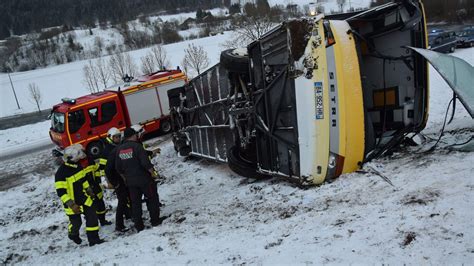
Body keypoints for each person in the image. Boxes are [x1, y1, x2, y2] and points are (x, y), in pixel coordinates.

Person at [54, 144, 105, 246]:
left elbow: (84, 180)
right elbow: (61, 192)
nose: (81, 156)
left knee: (92, 216)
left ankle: (93, 239)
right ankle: (73, 234)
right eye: (79, 154)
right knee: (76, 223)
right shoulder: (61, 173)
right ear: (72, 157)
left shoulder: (78, 166)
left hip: (83, 198)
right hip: (71, 203)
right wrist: (72, 205)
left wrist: (89, 190)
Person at [115, 127, 161, 232]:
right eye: (135, 135)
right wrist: (153, 173)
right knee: (152, 199)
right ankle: (155, 221)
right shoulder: (137, 147)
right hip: (144, 180)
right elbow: (146, 163)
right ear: (132, 136)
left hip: (131, 182)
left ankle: (139, 226)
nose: (137, 136)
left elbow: (118, 168)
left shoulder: (119, 150)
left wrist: (125, 179)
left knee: (135, 204)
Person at [103, 127, 132, 232]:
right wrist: (112, 182)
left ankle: (129, 215)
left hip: (123, 177)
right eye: (116, 137)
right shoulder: (107, 151)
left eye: (119, 136)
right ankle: (119, 225)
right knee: (122, 201)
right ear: (111, 137)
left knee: (127, 197)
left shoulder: (118, 146)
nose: (118, 139)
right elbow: (105, 169)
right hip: (116, 180)